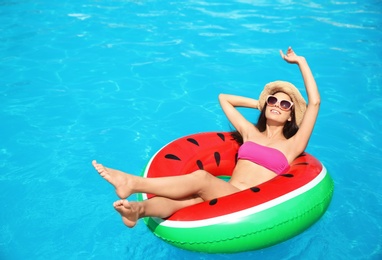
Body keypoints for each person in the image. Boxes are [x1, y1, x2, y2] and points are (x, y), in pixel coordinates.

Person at [92, 47, 320, 228]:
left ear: (291, 116)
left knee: (201, 178)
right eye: (273, 101)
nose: (277, 105)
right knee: (185, 202)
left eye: (284, 104)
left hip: (248, 202)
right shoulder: (250, 133)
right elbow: (224, 98)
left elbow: (315, 103)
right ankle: (137, 211)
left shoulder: (292, 145)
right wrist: (260, 103)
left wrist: (301, 62)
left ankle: (132, 183)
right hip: (226, 191)